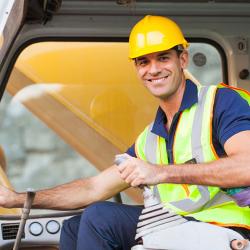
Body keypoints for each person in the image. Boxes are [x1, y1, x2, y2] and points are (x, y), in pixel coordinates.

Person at [0, 15, 250, 250]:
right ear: (136, 69)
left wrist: (160, 172)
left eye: (163, 58)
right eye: (144, 62)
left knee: (100, 216)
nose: (153, 70)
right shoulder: (150, 139)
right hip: (176, 226)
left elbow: (246, 166)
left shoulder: (220, 102)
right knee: (74, 227)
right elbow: (92, 188)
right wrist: (18, 199)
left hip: (228, 228)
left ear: (182, 59)